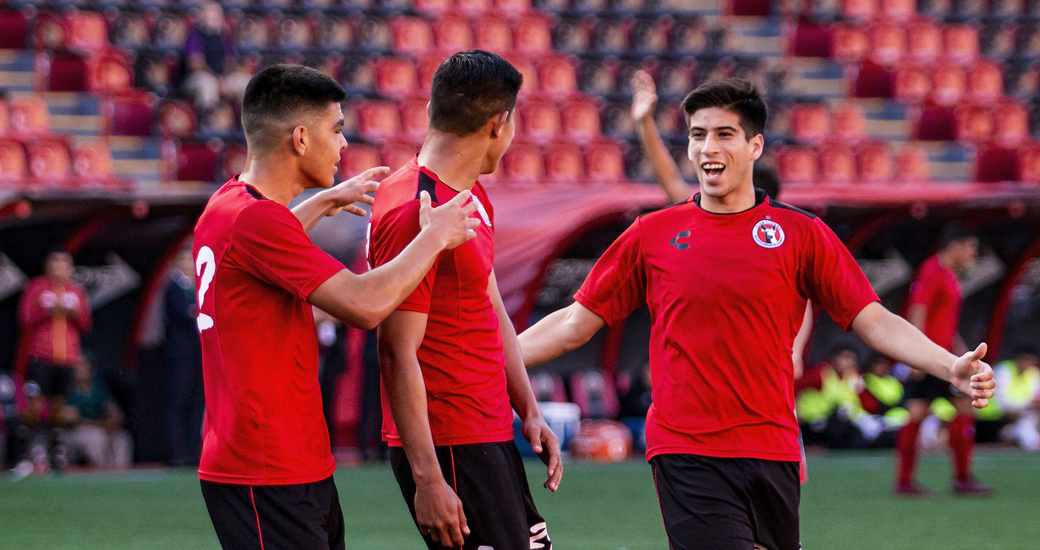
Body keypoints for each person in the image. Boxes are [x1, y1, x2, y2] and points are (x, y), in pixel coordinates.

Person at [518, 78, 996, 550]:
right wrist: (483, 359)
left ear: (754, 146)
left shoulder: (801, 234)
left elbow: (873, 319)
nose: (708, 147)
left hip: (774, 450)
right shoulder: (652, 234)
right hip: (688, 450)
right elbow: (572, 324)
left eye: (724, 134)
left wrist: (947, 365)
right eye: (697, 134)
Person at [193, 63, 481, 550]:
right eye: (337, 129)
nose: (345, 144)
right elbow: (365, 306)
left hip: (287, 462)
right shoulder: (258, 222)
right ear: (301, 139)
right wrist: (433, 237)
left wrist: (322, 201)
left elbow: (264, 242)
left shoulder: (229, 204)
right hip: (267, 470)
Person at [369, 50, 561, 550]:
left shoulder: (467, 195)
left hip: (488, 430)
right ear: (499, 124)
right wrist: (429, 479)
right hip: (452, 443)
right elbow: (396, 350)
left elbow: (489, 303)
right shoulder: (416, 208)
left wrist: (528, 409)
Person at [895, 223, 992, 496]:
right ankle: (945, 480)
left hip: (943, 356)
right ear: (956, 245)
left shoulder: (949, 275)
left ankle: (949, 479)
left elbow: (945, 322)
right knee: (932, 412)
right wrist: (914, 355)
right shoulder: (932, 270)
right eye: (971, 247)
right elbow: (918, 311)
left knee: (951, 409)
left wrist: (961, 350)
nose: (973, 253)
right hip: (929, 358)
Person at [17, 249, 92, 471]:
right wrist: (48, 310)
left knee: (59, 407)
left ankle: (56, 456)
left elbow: (86, 325)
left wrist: (73, 313)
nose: (59, 267)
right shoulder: (37, 288)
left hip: (67, 357)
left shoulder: (76, 291)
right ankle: (28, 455)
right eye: (55, 262)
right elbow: (25, 318)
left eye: (64, 263)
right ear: (47, 266)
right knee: (35, 406)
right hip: (41, 356)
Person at [163, 246, 204, 466]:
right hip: (180, 355)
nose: (189, 264)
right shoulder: (173, 288)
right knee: (178, 401)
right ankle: (176, 453)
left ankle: (194, 453)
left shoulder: (198, 286)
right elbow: (187, 314)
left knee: (198, 402)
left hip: (199, 354)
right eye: (184, 259)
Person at [65, 356, 132, 468]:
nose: (79, 369)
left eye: (83, 365)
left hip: (100, 427)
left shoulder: (97, 385)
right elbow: (72, 420)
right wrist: (100, 425)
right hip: (76, 432)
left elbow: (112, 408)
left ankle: (120, 475)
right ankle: (101, 474)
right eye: (77, 366)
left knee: (123, 438)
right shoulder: (68, 387)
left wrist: (113, 419)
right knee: (96, 437)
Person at [182, 1, 236, 113]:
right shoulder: (195, 35)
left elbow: (231, 61)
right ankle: (210, 124)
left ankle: (246, 125)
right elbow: (195, 65)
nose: (212, 20)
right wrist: (218, 79)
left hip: (223, 78)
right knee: (208, 85)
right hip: (197, 78)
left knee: (246, 84)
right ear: (202, 17)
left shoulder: (224, 36)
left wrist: (224, 78)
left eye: (215, 17)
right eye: (209, 17)